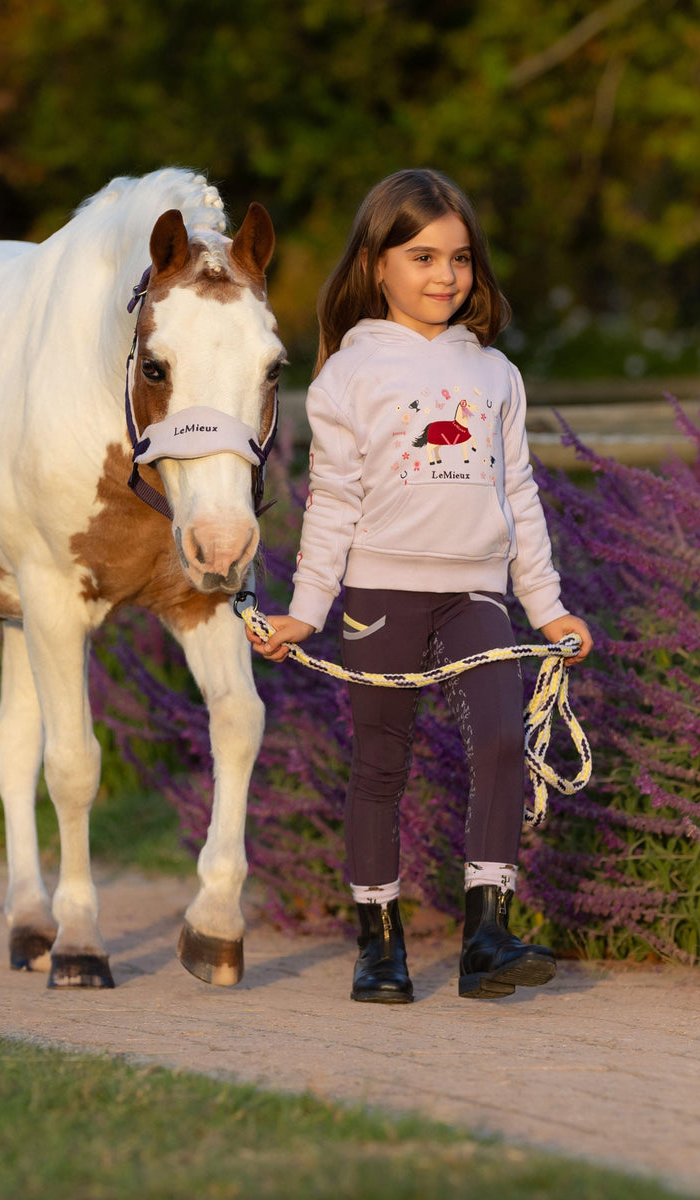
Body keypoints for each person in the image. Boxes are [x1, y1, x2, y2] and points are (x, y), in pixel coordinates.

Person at [247, 169, 593, 1003]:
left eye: (461, 258)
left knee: (506, 742)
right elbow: (332, 503)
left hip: (477, 594)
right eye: (423, 256)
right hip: (381, 595)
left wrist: (546, 609)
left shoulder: (497, 376)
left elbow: (519, 496)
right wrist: (306, 611)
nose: (445, 276)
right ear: (376, 265)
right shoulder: (346, 378)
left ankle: (487, 937)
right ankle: (379, 946)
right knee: (379, 767)